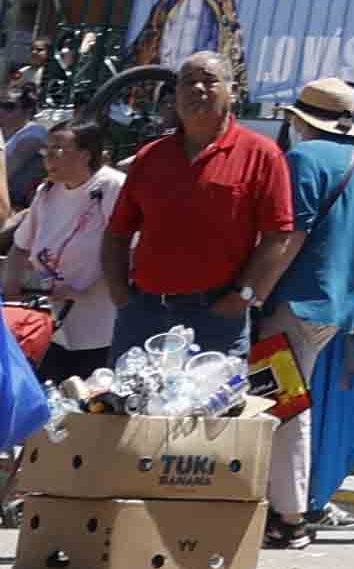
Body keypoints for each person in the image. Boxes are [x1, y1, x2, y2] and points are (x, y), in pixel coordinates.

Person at [259, 82, 354, 545]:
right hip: (336, 308)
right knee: (289, 402)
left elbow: (290, 237)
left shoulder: (305, 160)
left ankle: (288, 515)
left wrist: (251, 292)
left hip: (295, 300)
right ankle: (290, 510)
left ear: (301, 120)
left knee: (282, 406)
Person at [105, 53, 296, 353]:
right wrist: (120, 294)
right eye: (187, 82)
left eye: (209, 81)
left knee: (209, 402)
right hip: (143, 315)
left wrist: (242, 296)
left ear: (231, 93)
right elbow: (117, 232)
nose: (197, 89)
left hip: (215, 320)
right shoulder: (151, 156)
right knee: (127, 400)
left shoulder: (262, 154)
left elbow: (278, 237)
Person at [12, 106, 123, 368]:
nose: (48, 159)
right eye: (45, 151)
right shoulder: (46, 192)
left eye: (57, 151)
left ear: (85, 155)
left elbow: (126, 254)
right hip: (51, 328)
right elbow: (19, 248)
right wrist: (12, 297)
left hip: (100, 330)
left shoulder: (112, 187)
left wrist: (81, 293)